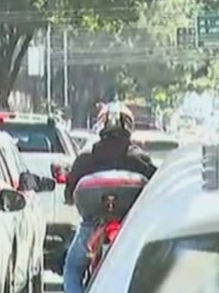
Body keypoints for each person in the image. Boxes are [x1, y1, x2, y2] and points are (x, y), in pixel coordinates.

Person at [62, 102, 157, 293]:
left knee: (72, 269)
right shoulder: (140, 158)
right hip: (131, 228)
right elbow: (156, 189)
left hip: (92, 226)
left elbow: (69, 191)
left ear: (100, 125)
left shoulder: (85, 157)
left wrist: (71, 198)